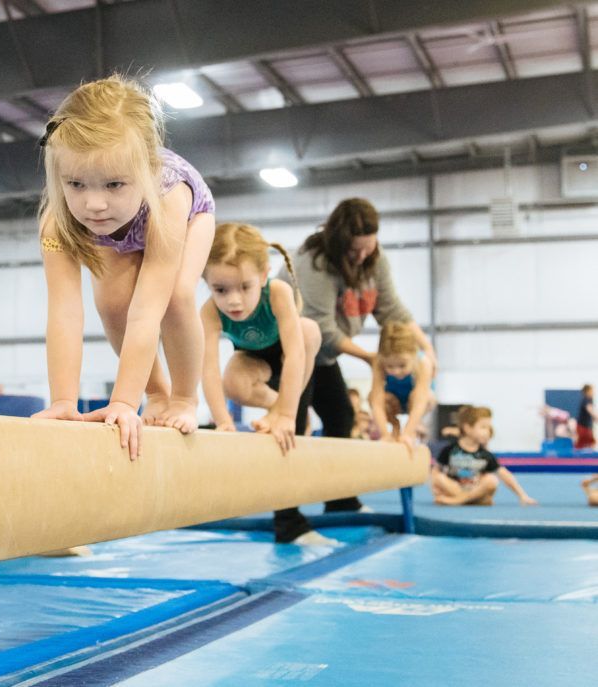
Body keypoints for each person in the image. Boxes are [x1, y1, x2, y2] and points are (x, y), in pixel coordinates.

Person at [32, 75, 215, 460]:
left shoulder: (170, 200)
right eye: (76, 184)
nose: (94, 204)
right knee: (113, 304)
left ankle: (182, 398)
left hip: (186, 218)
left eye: (114, 184)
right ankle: (157, 395)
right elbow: (64, 312)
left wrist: (123, 403)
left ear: (145, 170)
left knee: (177, 297)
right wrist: (64, 400)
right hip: (119, 232)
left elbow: (148, 312)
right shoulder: (57, 222)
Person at [273, 198, 436, 543]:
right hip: (288, 349)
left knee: (341, 417)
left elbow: (393, 310)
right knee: (293, 425)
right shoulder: (313, 262)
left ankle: (340, 501)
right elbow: (321, 328)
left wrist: (427, 348)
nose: (362, 256)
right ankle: (287, 522)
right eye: (354, 250)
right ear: (338, 242)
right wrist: (371, 359)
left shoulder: (374, 262)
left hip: (321, 356)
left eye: (368, 247)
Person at [199, 222, 321, 454]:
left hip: (290, 356)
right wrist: (223, 421)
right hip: (253, 360)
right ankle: (277, 407)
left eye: (245, 287)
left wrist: (286, 415)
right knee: (231, 382)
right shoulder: (209, 312)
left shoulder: (277, 293)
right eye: (221, 290)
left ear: (263, 275)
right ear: (207, 283)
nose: (234, 300)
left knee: (309, 330)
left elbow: (296, 354)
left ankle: (283, 410)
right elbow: (209, 370)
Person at [432, 406, 538, 506]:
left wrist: (522, 495)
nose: (487, 432)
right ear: (467, 428)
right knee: (439, 478)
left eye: (489, 428)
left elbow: (504, 474)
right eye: (483, 427)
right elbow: (436, 471)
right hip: (456, 488)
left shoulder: (485, 455)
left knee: (491, 480)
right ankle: (473, 500)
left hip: (475, 488)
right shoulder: (450, 450)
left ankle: (460, 500)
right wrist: (435, 489)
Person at [368, 321, 436, 452]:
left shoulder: (423, 363)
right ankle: (395, 426)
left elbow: (420, 402)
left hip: (417, 402)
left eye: (402, 365)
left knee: (426, 396)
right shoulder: (378, 362)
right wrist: (385, 435)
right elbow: (376, 401)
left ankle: (414, 427)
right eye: (390, 366)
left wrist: (407, 434)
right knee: (372, 396)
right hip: (393, 402)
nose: (395, 371)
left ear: (413, 354)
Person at [575, 384, 596, 450]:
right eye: (592, 390)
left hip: (586, 426)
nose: (593, 392)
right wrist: (596, 416)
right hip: (582, 426)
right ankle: (575, 456)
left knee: (590, 442)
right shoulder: (586, 399)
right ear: (587, 391)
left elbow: (590, 413)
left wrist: (594, 418)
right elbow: (589, 410)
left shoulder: (590, 399)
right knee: (583, 443)